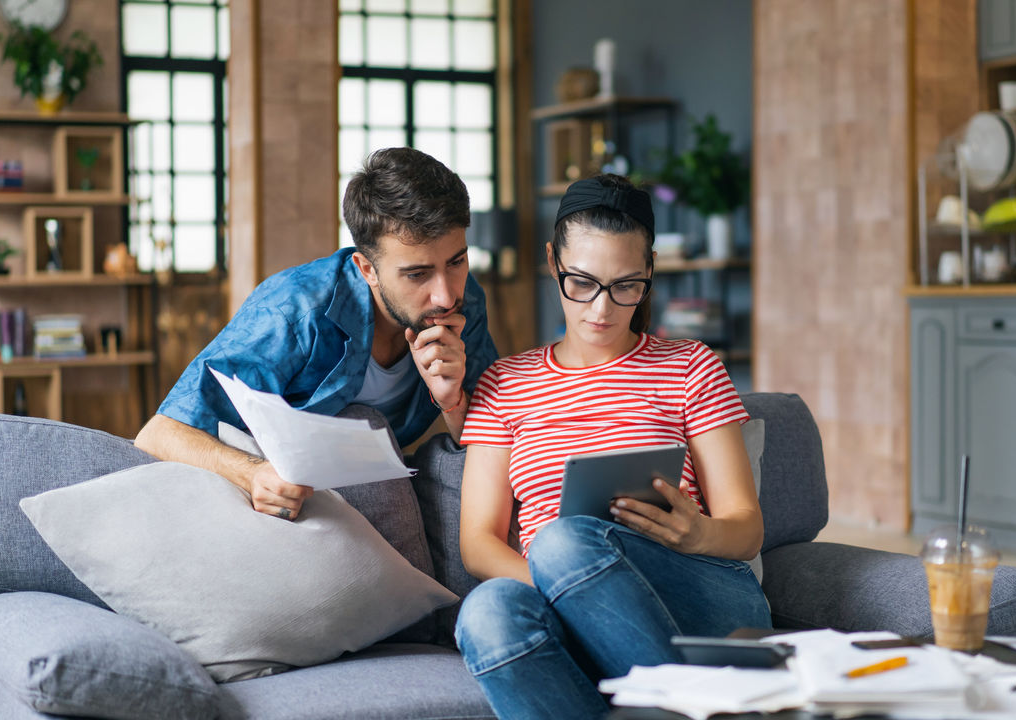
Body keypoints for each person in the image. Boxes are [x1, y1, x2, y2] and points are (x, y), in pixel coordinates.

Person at [454, 174, 770, 719]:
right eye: (582, 282)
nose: (601, 309)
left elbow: (747, 528)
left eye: (626, 286)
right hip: (560, 592)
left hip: (698, 590)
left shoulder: (691, 366)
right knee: (487, 611)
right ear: (554, 261)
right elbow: (478, 543)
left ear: (648, 272)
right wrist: (567, 590)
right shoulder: (504, 383)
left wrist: (699, 533)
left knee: (560, 542)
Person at [134, 147, 499, 521]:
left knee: (469, 467)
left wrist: (452, 401)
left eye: (456, 261)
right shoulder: (295, 310)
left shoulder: (464, 299)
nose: (446, 294)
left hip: (379, 480)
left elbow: (493, 435)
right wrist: (252, 473)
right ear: (366, 269)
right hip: (279, 492)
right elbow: (159, 433)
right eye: (417, 274)